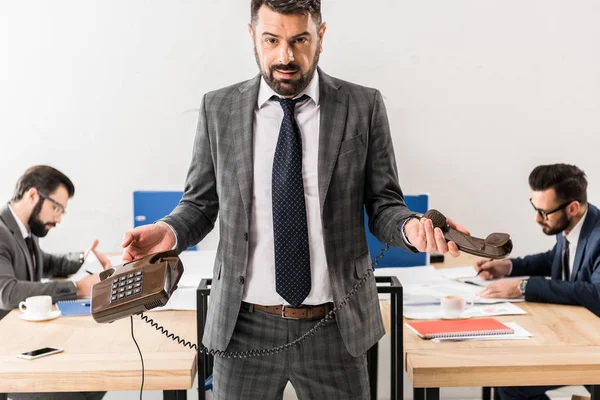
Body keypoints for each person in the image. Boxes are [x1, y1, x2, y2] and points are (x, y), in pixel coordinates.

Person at [122, 1, 466, 399]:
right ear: (252, 37)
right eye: (272, 40)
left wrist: (411, 227)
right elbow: (200, 204)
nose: (285, 56)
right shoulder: (218, 108)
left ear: (321, 36)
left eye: (299, 39)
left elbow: (384, 203)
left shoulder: (362, 105)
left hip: (335, 326)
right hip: (243, 326)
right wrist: (169, 230)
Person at [476, 163, 599, 400]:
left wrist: (524, 286)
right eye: (535, 208)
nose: (537, 218)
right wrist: (509, 267)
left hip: (591, 346)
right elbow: (558, 259)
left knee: (512, 384)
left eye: (544, 212)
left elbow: (596, 293)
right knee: (505, 373)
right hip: (570, 334)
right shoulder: (574, 226)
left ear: (572, 207)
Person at [0, 166, 108, 400]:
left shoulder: (25, 232)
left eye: (62, 211)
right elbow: (7, 293)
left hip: (27, 344)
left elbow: (44, 263)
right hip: (9, 358)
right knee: (88, 381)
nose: (58, 218)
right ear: (32, 195)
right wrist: (77, 288)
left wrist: (83, 258)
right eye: (55, 208)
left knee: (97, 379)